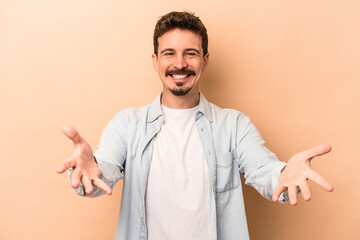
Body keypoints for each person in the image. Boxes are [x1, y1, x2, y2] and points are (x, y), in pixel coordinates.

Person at [56, 11, 334, 240]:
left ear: (205, 60)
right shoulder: (127, 124)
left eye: (190, 53)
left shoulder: (234, 125)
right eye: (169, 54)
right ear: (155, 62)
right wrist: (90, 170)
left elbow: (264, 170)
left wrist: (284, 174)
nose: (179, 64)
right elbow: (101, 172)